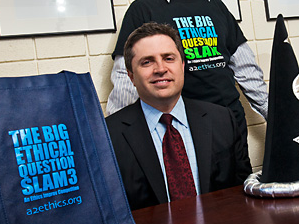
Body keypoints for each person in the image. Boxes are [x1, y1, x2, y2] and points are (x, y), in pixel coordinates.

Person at [107, 0, 268, 157]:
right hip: (180, 131)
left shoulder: (217, 6)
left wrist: (282, 117)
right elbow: (125, 78)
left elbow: (247, 71)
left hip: (231, 126)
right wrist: (115, 137)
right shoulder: (142, 9)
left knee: (236, 192)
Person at [106, 23, 252, 210]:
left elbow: (242, 194)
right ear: (131, 76)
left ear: (182, 66)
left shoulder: (222, 120)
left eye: (168, 58)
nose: (160, 68)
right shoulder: (109, 136)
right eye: (147, 62)